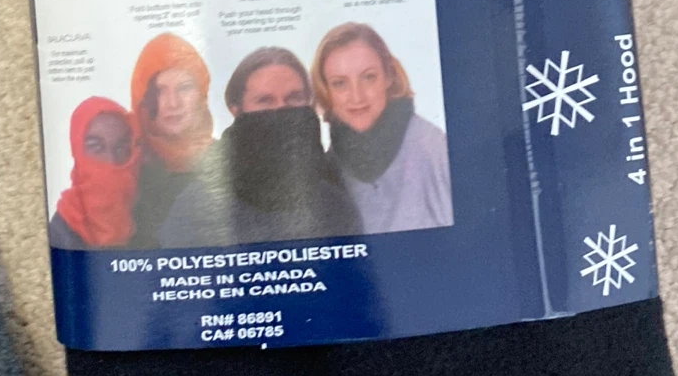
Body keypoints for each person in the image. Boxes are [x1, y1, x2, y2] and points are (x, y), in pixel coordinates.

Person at [161, 47, 361, 247]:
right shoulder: (197, 208)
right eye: (264, 100)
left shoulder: (335, 204)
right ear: (235, 109)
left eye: (294, 98)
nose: (280, 109)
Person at [312, 22, 452, 233]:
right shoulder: (327, 167)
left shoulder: (434, 149)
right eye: (340, 83)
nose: (356, 96)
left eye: (369, 77)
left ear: (389, 77)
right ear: (325, 89)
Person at [129, 32, 216, 247]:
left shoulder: (228, 160)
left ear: (202, 94)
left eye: (184, 88)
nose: (173, 103)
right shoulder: (123, 169)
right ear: (143, 98)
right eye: (160, 91)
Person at [48, 96, 138, 249]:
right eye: (96, 147)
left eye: (121, 148)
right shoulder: (59, 234)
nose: (111, 160)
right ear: (77, 150)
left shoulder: (145, 216)